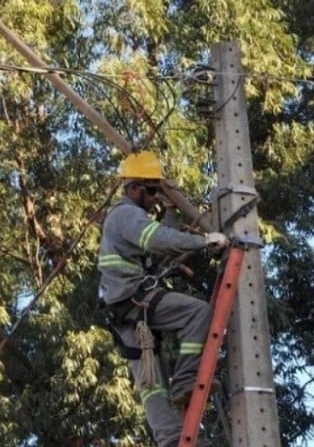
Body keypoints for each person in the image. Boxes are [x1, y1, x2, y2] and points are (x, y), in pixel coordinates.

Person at [98, 150, 229, 447]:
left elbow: (159, 237)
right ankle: (185, 380)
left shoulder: (129, 218)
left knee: (150, 383)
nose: (155, 197)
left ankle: (172, 440)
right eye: (152, 190)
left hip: (123, 310)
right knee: (197, 313)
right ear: (134, 188)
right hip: (132, 300)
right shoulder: (126, 214)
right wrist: (205, 240)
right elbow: (158, 239)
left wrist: (171, 210)